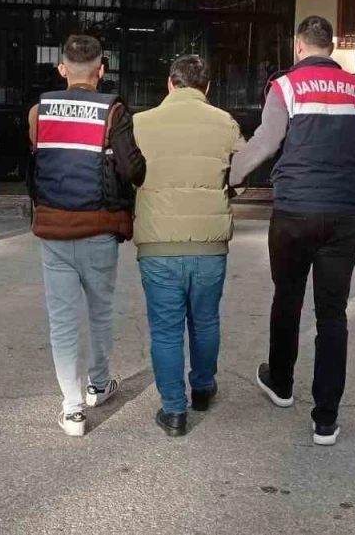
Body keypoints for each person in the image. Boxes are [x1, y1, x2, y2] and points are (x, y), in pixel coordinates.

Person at [229, 15, 355, 447]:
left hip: (295, 212)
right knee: (332, 314)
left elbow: (266, 141)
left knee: (287, 297)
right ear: (331, 47)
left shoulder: (285, 86)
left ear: (298, 46)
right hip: (344, 217)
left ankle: (281, 384)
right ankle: (326, 419)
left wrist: (229, 175)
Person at [28, 34, 146, 437]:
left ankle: (73, 409)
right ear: (102, 69)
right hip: (99, 229)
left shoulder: (38, 112)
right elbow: (132, 170)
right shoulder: (113, 111)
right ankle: (99, 384)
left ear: (62, 68)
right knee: (100, 311)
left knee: (61, 321)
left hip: (53, 228)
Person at [132, 55, 245, 437]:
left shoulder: (141, 123)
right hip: (210, 244)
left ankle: (174, 411)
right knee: (206, 321)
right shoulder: (225, 123)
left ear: (170, 83)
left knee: (165, 330)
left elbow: (128, 173)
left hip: (158, 242)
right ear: (207, 87)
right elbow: (242, 172)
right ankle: (202, 388)